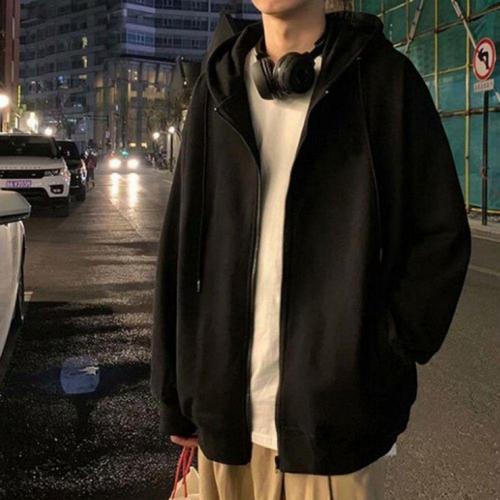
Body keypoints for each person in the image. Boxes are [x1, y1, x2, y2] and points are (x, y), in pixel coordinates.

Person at [150, 2, 471, 499]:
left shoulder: (383, 80)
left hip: (336, 436)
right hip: (226, 428)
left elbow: (440, 233)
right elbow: (180, 247)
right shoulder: (218, 89)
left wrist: (383, 351)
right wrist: (175, 392)